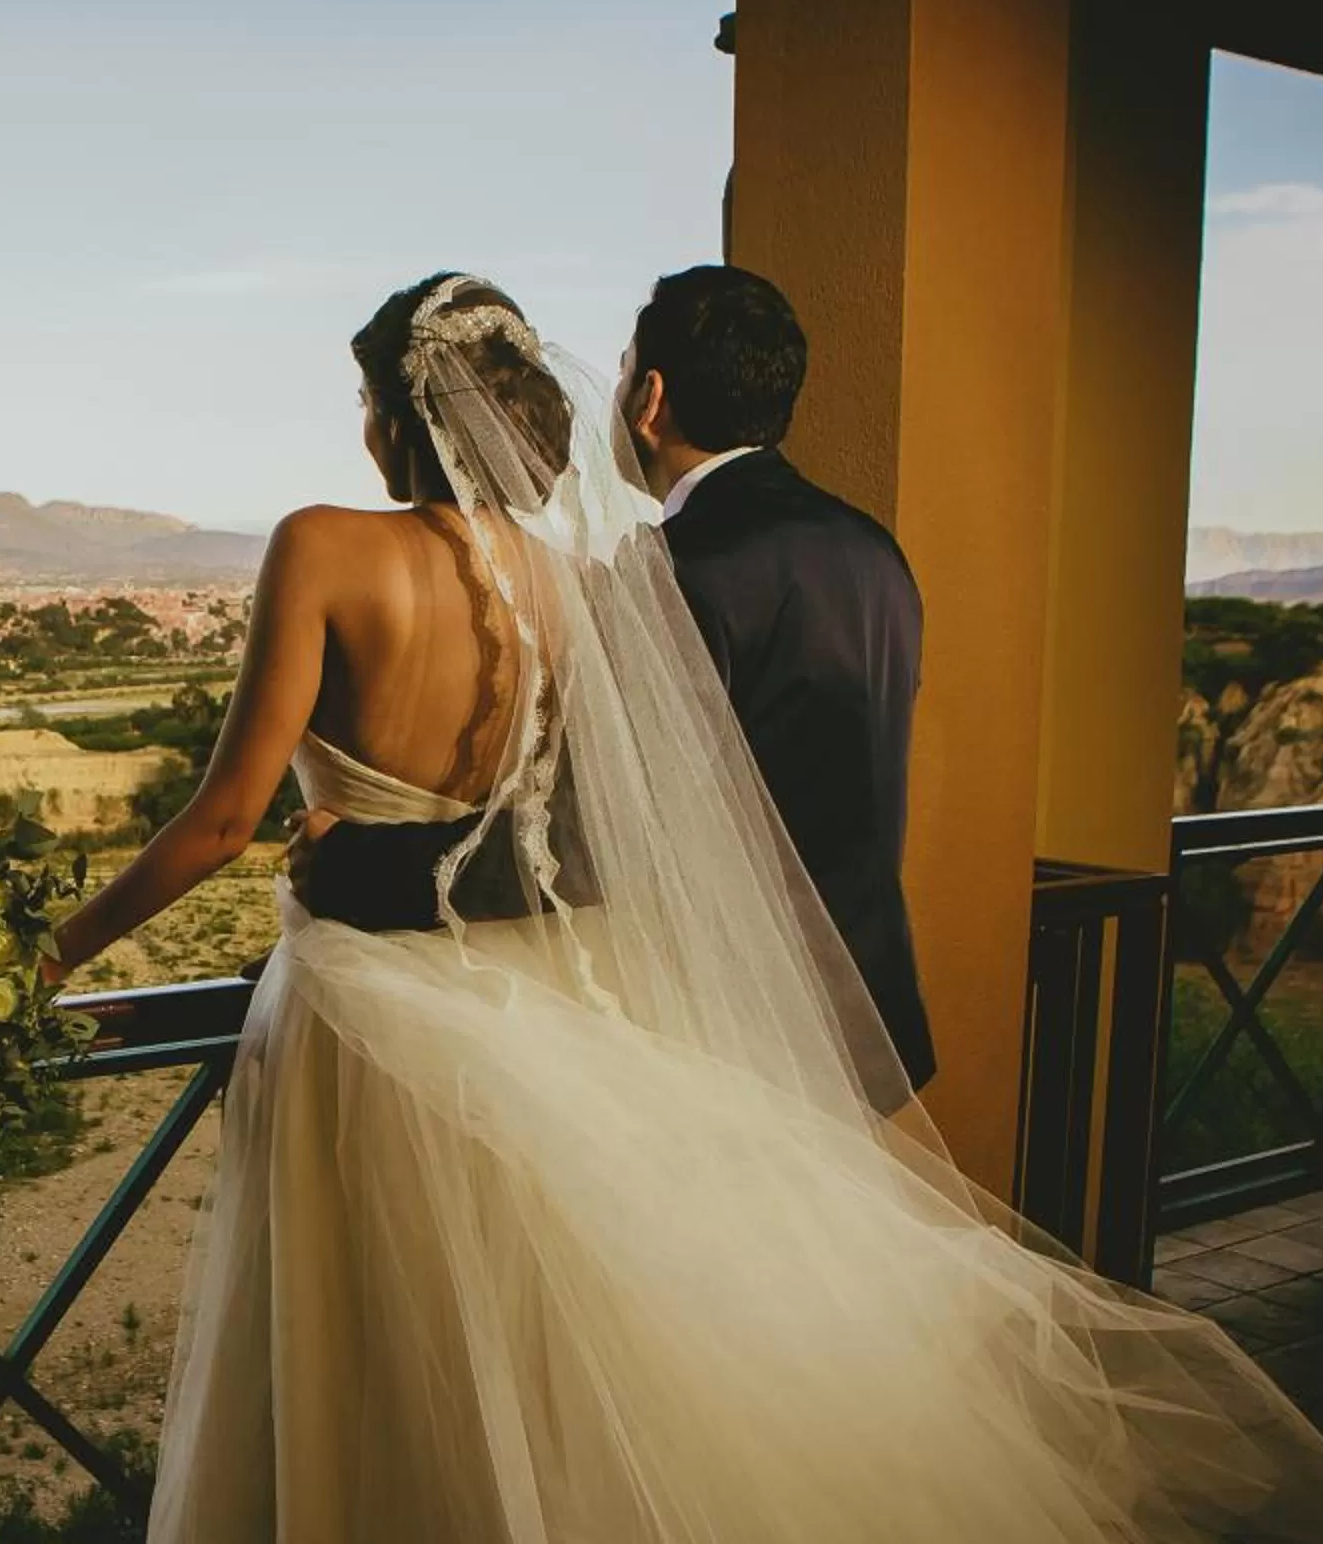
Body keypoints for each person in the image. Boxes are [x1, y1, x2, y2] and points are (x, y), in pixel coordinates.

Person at [38, 272, 1323, 1544]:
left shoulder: (324, 548)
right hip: (532, 1013)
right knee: (507, 1403)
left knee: (348, 1385)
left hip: (364, 1021)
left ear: (387, 413)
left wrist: (54, 958)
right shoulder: (580, 587)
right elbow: (564, 827)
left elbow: (222, 819)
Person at [291, 263, 932, 1096]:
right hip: (870, 1010)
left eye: (623, 367)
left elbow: (584, 840)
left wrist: (358, 866)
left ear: (650, 398)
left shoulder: (680, 571)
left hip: (740, 1029)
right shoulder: (871, 550)